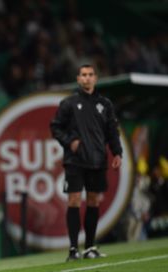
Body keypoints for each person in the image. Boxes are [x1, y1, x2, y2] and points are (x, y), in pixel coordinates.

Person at [50, 64, 122, 261]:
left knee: (93, 201)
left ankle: (90, 247)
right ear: (78, 79)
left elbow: (112, 131)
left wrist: (117, 152)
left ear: (96, 78)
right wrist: (69, 141)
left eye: (90, 75)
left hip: (98, 159)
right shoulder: (69, 103)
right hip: (75, 161)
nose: (87, 78)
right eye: (83, 75)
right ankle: (73, 249)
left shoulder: (105, 104)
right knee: (73, 200)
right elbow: (56, 127)